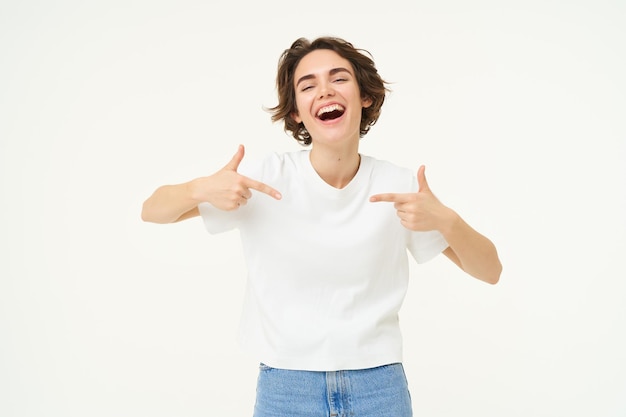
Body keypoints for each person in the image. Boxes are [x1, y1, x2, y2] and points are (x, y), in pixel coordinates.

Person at [141, 36, 502, 417]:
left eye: (339, 78)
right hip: (287, 387)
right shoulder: (266, 178)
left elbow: (490, 270)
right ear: (296, 112)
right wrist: (200, 188)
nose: (325, 91)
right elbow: (152, 211)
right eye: (308, 85)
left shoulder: (399, 186)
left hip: (379, 387)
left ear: (365, 96)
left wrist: (447, 219)